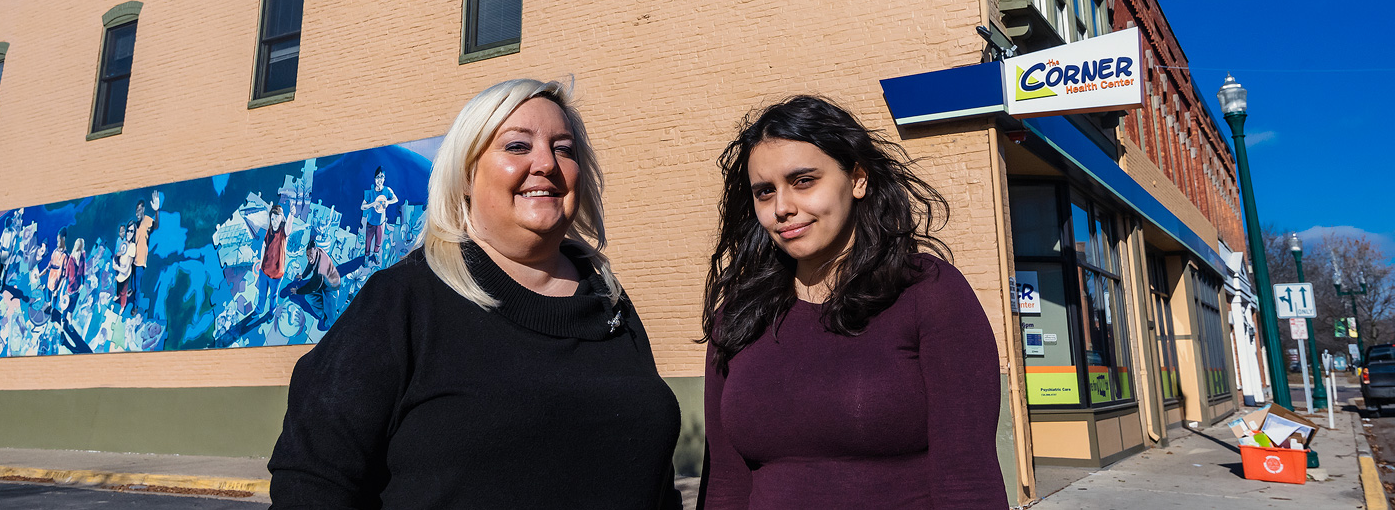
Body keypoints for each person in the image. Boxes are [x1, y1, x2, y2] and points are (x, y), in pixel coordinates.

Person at [269, 79, 681, 509]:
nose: (547, 162)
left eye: (564, 148)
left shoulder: (610, 304)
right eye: (518, 146)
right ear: (467, 175)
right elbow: (312, 482)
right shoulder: (403, 301)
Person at [698, 96, 1007, 509]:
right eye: (765, 192)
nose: (782, 208)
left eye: (804, 180)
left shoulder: (928, 293)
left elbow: (969, 480)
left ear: (858, 178)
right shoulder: (737, 318)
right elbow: (725, 485)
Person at [360, 167, 398, 266]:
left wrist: (388, 202)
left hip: (381, 223)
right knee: (368, 241)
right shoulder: (370, 193)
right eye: (377, 177)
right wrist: (372, 204)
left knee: (378, 242)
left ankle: (376, 255)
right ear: (374, 179)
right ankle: (366, 257)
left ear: (384, 179)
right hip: (371, 222)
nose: (379, 180)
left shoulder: (387, 190)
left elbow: (395, 199)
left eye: (382, 177)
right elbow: (362, 207)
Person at [258, 203, 290, 315]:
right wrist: (261, 263)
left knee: (273, 296)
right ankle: (259, 309)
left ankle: (272, 312)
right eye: (272, 218)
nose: (274, 220)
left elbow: (288, 229)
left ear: (282, 218)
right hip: (264, 271)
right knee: (261, 294)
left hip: (276, 274)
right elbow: (264, 246)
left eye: (277, 217)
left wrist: (292, 215)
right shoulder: (269, 231)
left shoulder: (283, 233)